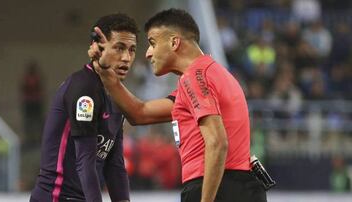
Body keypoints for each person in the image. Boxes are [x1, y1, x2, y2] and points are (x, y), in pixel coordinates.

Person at [90, 8, 267, 202]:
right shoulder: (210, 76)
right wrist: (107, 74)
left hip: (217, 186)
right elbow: (140, 113)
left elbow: (217, 142)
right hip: (237, 186)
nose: (148, 53)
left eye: (152, 43)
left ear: (174, 42)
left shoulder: (193, 78)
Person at [30, 13, 138, 202]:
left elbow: (115, 164)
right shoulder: (85, 90)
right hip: (57, 197)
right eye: (119, 48)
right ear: (97, 48)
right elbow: (85, 162)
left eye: (131, 50)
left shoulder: (117, 94)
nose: (126, 57)